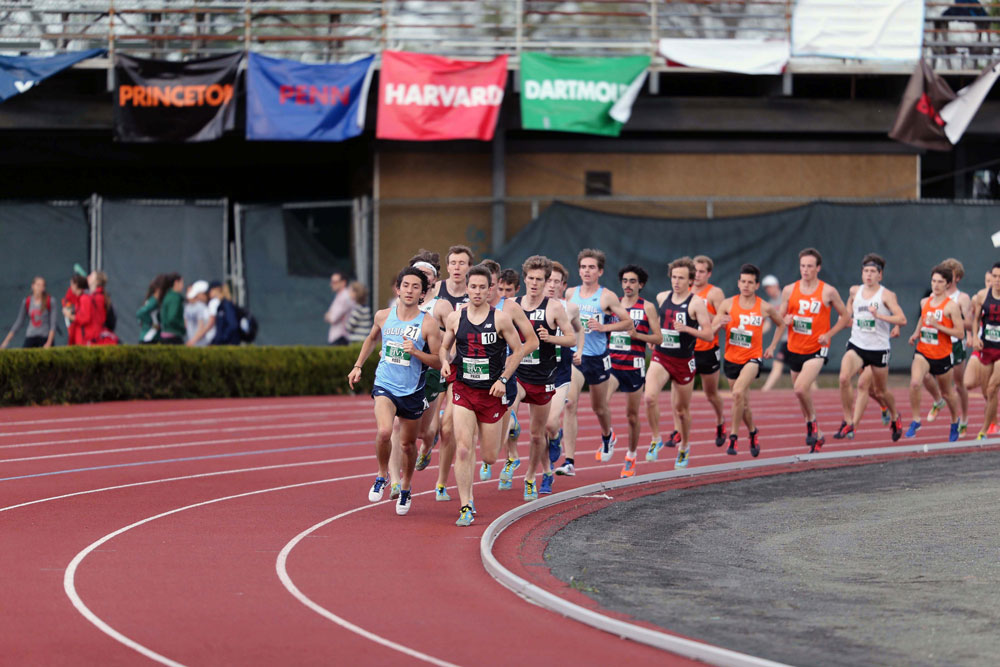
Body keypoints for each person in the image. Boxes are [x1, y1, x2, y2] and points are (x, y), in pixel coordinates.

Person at [348, 267, 442, 516]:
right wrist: (358, 366)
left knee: (408, 445)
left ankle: (407, 487)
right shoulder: (383, 316)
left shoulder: (428, 323)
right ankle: (382, 475)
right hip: (385, 384)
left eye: (415, 287)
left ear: (423, 293)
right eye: (406, 285)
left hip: (412, 390)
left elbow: (439, 361)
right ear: (397, 288)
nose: (409, 291)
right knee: (384, 431)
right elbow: (371, 339)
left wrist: (417, 353)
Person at [439, 265, 524, 526]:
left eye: (482, 287)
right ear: (467, 289)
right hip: (464, 390)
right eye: (472, 287)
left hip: (492, 394)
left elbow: (519, 350)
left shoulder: (500, 318)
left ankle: (510, 423)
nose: (477, 292)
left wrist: (503, 379)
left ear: (490, 290)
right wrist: (444, 361)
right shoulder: (456, 317)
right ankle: (466, 504)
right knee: (463, 448)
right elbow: (445, 347)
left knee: (489, 456)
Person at [554, 248, 633, 476]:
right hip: (576, 356)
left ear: (599, 271)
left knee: (599, 407)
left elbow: (628, 323)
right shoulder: (570, 294)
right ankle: (569, 461)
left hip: (598, 358)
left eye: (591, 267)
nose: (586, 271)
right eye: (583, 267)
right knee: (570, 403)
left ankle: (608, 435)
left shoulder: (606, 296)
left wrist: (604, 327)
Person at [512, 256, 576, 497]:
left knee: (540, 432)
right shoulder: (513, 305)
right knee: (510, 411)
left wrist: (550, 338)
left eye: (540, 279)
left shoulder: (555, 308)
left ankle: (537, 474)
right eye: (531, 278)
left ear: (547, 281)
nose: (535, 283)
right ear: (525, 278)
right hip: (519, 374)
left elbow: (571, 338)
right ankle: (511, 455)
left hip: (547, 377)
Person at [643, 257, 715, 469]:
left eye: (681, 278)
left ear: (690, 280)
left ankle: (684, 446)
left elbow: (709, 334)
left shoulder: (696, 304)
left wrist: (687, 329)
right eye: (674, 277)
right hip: (662, 356)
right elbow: (658, 321)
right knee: (649, 398)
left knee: (681, 411)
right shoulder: (662, 297)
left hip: (683, 361)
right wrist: (654, 336)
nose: (676, 281)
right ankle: (655, 439)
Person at [778, 248, 850, 452]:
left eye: (810, 266)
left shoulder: (828, 291)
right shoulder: (789, 290)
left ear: (818, 268)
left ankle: (812, 424)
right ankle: (817, 435)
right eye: (802, 266)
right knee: (801, 394)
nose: (805, 270)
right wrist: (784, 320)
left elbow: (845, 317)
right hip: (794, 348)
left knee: (800, 388)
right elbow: (778, 316)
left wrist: (829, 334)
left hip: (817, 348)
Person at [711, 264, 785, 456]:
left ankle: (733, 439)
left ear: (756, 285)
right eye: (743, 281)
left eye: (750, 282)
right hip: (731, 359)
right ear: (738, 283)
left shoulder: (764, 307)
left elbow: (781, 324)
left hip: (752, 358)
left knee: (737, 394)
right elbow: (711, 330)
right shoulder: (727, 304)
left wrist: (772, 346)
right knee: (743, 404)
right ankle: (753, 431)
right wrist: (720, 323)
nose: (746, 285)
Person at [480, 259, 538, 498]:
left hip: (505, 378)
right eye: (485, 284)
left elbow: (532, 341)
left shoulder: (510, 308)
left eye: (493, 284)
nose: (490, 290)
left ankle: (505, 456)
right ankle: (506, 455)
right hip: (477, 377)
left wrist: (513, 358)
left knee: (502, 429)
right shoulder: (468, 307)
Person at [834, 254, 908, 442]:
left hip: (878, 349)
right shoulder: (854, 291)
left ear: (880, 275)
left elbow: (902, 319)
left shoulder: (887, 295)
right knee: (844, 378)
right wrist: (846, 317)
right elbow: (849, 308)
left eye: (873, 272)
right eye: (865, 271)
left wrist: (881, 317)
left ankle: (894, 416)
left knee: (881, 391)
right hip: (857, 344)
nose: (868, 275)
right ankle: (848, 421)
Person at [430, 245, 474, 502]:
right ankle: (426, 446)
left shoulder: (475, 293)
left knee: (448, 429)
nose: (458, 267)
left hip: (464, 368)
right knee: (430, 428)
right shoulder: (435, 292)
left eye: (462, 263)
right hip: (437, 363)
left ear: (469, 267)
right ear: (447, 267)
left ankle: (441, 483)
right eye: (454, 263)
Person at [606, 264, 660, 477]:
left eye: (632, 282)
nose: (628, 285)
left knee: (631, 416)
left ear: (641, 284)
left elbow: (658, 338)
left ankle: (631, 455)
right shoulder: (613, 306)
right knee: (600, 403)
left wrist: (639, 336)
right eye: (625, 281)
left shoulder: (647, 307)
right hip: (612, 364)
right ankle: (608, 435)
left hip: (634, 366)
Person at [905, 264, 964, 441]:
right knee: (915, 383)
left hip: (943, 354)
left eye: (940, 282)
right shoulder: (925, 302)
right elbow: (923, 319)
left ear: (947, 284)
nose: (936, 285)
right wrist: (916, 333)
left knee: (948, 393)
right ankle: (916, 420)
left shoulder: (951, 307)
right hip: (923, 351)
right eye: (933, 281)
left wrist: (939, 326)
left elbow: (960, 333)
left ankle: (955, 421)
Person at [543, 261, 584, 472]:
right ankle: (543, 470)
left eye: (556, 282)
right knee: (538, 425)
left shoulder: (570, 308)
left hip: (561, 370)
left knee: (551, 422)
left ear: (563, 285)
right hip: (538, 369)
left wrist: (579, 350)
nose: (551, 285)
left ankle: (556, 437)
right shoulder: (530, 306)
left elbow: (579, 329)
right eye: (548, 280)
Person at [691, 255, 728, 446]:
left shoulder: (714, 293)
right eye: (694, 270)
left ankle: (720, 420)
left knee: (710, 394)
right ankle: (678, 430)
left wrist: (703, 313)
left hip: (707, 349)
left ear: (709, 273)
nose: (697, 275)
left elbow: (723, 320)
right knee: (679, 392)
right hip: (687, 350)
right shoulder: (684, 290)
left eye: (701, 271)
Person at [971, 261, 1000, 439]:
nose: (997, 280)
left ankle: (984, 429)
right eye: (995, 276)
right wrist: (974, 336)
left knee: (991, 388)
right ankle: (993, 423)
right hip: (987, 347)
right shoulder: (982, 296)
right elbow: (975, 319)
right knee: (986, 391)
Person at [2, 276, 57, 349]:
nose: (39, 287)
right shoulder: (27, 301)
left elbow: (53, 324)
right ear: (32, 286)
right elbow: (19, 322)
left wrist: (49, 342)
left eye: (42, 285)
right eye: (37, 285)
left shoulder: (50, 301)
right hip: (31, 336)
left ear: (44, 288)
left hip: (45, 337)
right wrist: (6, 341)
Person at [760, 274, 787, 391]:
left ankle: (765, 390)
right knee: (802, 370)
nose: (768, 290)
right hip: (786, 340)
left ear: (776, 285)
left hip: (796, 338)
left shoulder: (787, 297)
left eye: (770, 287)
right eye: (766, 288)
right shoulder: (770, 304)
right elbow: (767, 324)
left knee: (778, 364)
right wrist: (755, 333)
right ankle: (765, 389)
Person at [72, 271, 110, 346]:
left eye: (92, 276)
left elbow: (86, 318)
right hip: (93, 339)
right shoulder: (95, 296)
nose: (88, 277)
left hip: (93, 340)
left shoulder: (95, 298)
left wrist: (71, 316)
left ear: (97, 281)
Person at [325, 271, 355, 346]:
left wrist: (329, 315)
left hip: (341, 336)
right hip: (337, 336)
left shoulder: (345, 297)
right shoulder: (340, 296)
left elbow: (333, 318)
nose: (331, 284)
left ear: (343, 282)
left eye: (335, 282)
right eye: (331, 282)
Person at [137, 274, 166, 344]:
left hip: (148, 337)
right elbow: (140, 314)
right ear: (158, 289)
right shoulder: (153, 302)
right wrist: (151, 324)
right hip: (150, 338)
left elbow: (140, 320)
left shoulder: (150, 300)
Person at [159, 274, 186, 345]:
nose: (183, 286)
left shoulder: (167, 295)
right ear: (176, 283)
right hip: (173, 337)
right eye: (182, 283)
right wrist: (183, 325)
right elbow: (172, 318)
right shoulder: (175, 298)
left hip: (165, 335)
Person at [61, 274, 88, 346]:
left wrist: (69, 316)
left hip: (85, 337)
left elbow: (84, 319)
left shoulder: (85, 298)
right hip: (78, 334)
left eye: (72, 284)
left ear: (76, 285)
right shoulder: (76, 296)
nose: (70, 287)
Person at [184, 280, 211, 346]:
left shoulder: (201, 306)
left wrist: (193, 340)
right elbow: (186, 323)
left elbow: (202, 326)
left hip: (202, 343)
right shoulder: (187, 307)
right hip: (194, 342)